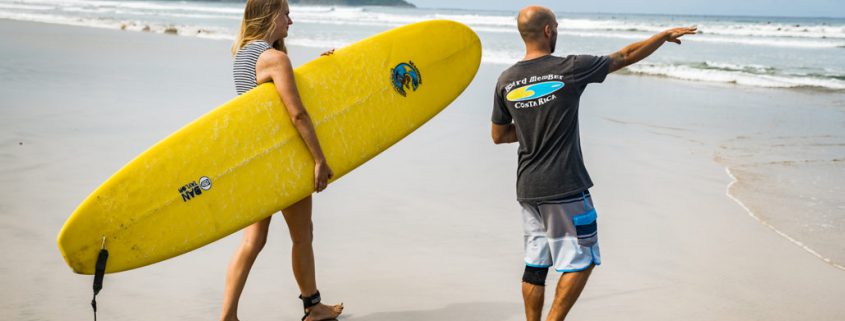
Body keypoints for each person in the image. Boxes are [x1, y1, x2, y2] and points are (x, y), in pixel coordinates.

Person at [491, 6, 696, 321]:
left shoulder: (506, 80)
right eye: (556, 26)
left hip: (528, 188)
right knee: (583, 260)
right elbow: (625, 55)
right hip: (565, 186)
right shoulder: (569, 68)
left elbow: (499, 135)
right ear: (548, 30)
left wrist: (535, 121)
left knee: (536, 265)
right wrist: (663, 36)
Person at [222, 1, 344, 320]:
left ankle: (228, 315)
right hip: (282, 162)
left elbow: (272, 105)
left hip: (255, 161)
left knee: (253, 241)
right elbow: (297, 113)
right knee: (302, 235)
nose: (291, 20)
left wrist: (320, 73)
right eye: (286, 13)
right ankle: (313, 306)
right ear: (270, 15)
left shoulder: (244, 55)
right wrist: (319, 159)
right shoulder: (275, 59)